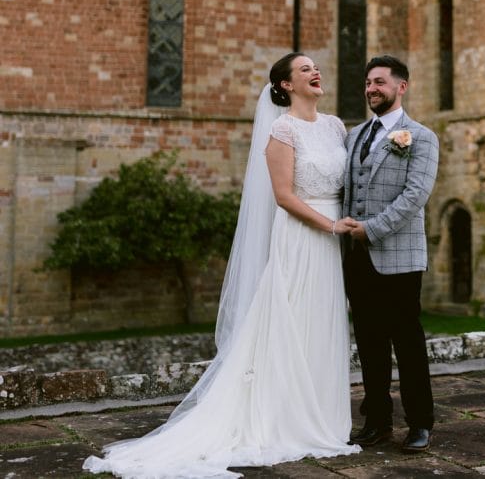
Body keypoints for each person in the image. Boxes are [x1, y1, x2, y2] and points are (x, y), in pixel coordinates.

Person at [84, 53, 360, 478]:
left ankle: (323, 416)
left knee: (324, 323)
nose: (315, 72)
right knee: (294, 320)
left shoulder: (335, 126)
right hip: (305, 237)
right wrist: (330, 226)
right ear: (285, 85)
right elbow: (285, 196)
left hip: (332, 240)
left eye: (315, 67)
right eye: (304, 69)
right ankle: (285, 418)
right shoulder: (282, 129)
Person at [341, 55, 440, 452]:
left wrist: (371, 229)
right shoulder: (353, 136)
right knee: (369, 342)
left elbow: (415, 195)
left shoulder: (421, 136)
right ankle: (377, 421)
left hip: (398, 256)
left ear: (402, 87)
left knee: (408, 343)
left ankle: (420, 423)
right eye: (368, 82)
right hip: (356, 258)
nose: (371, 89)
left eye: (380, 82)